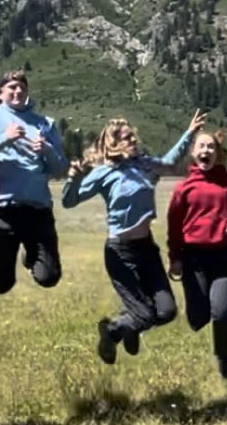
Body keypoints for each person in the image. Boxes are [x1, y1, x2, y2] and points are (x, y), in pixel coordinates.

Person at [62, 110, 205, 364]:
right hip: (121, 252)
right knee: (145, 315)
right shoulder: (103, 173)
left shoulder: (146, 164)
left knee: (167, 312)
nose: (134, 140)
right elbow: (69, 201)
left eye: (133, 136)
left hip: (147, 249)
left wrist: (189, 132)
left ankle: (129, 327)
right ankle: (111, 331)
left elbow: (171, 162)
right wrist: (73, 178)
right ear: (114, 143)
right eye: (128, 138)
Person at [0, 70, 69, 295]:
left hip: (38, 208)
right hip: (3, 207)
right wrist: (5, 138)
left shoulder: (44, 123)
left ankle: (30, 255)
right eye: (12, 87)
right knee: (0, 285)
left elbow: (61, 168)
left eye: (22, 87)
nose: (18, 90)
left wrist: (48, 150)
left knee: (48, 277)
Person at [166, 131, 227, 379]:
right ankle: (219, 332)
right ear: (193, 153)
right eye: (201, 146)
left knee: (221, 310)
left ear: (217, 153)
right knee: (198, 319)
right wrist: (175, 258)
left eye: (211, 147)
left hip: (224, 256)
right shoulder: (184, 188)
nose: (206, 151)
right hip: (194, 259)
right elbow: (173, 226)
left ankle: (222, 353)